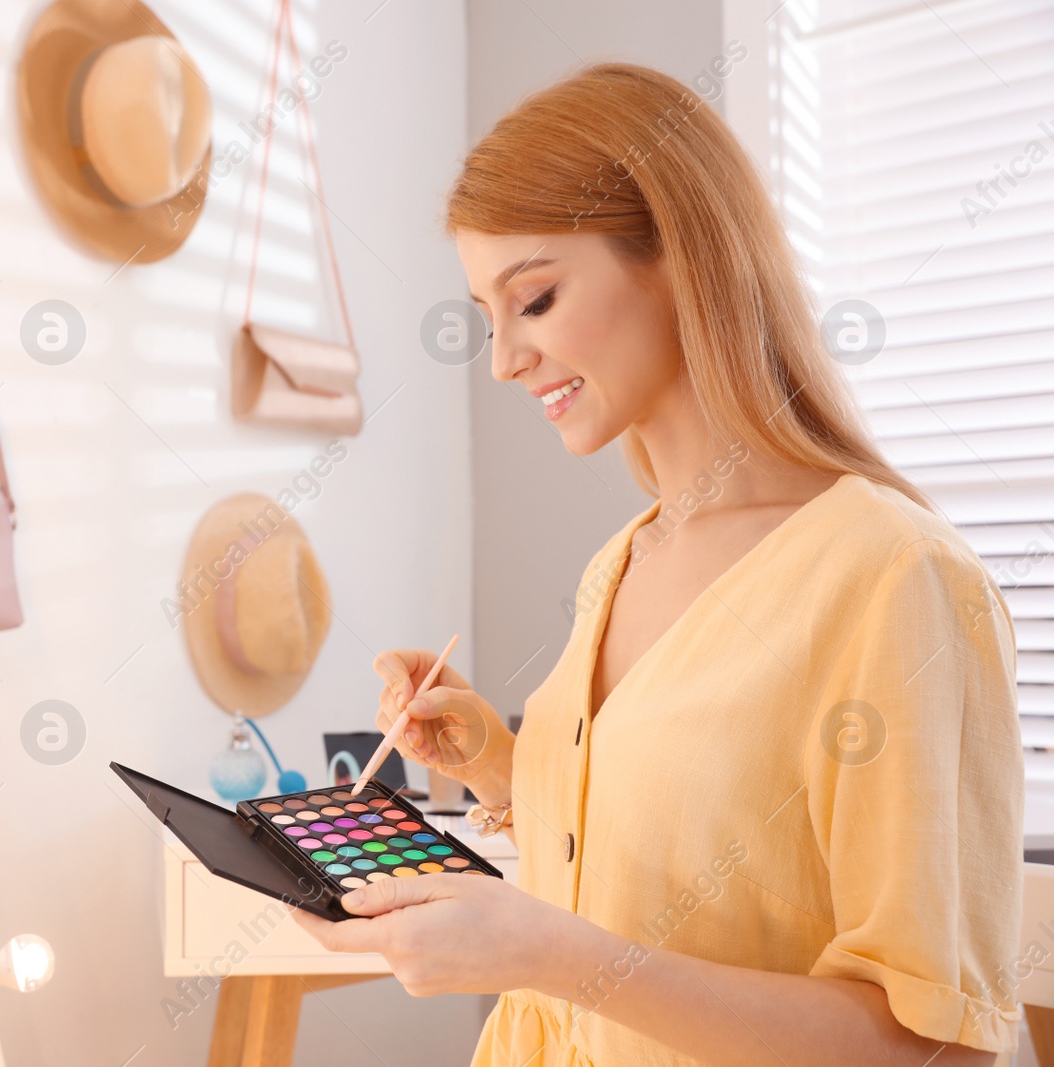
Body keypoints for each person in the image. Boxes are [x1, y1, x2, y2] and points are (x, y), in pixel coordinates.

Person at [293, 63, 1022, 1067]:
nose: (503, 358)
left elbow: (931, 1045)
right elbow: (685, 855)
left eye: (535, 298)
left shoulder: (895, 577)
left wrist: (553, 952)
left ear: (683, 257)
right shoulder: (623, 561)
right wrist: (500, 765)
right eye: (485, 315)